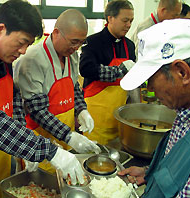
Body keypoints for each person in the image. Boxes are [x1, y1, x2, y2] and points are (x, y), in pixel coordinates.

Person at [0, 1, 90, 197]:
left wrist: (24, 149)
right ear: (1, 29)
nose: (23, 51)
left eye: (28, 45)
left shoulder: (2, 56)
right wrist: (48, 151)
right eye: (22, 43)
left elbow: (14, 102)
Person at [14, 9, 101, 173]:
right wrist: (70, 136)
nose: (76, 48)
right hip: (39, 140)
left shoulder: (72, 55)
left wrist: (82, 110)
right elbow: (37, 110)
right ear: (56, 33)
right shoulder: (33, 60)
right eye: (73, 42)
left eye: (81, 43)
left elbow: (74, 87)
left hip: (63, 135)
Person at [119, 18, 190, 198]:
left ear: (182, 72)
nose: (149, 88)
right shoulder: (183, 112)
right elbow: (178, 164)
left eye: (151, 79)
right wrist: (150, 173)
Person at [79, 0, 136, 145]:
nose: (129, 25)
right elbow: (86, 69)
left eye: (131, 21)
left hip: (118, 116)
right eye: (125, 20)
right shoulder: (93, 42)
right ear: (110, 18)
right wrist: (118, 71)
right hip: (95, 118)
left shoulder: (129, 46)